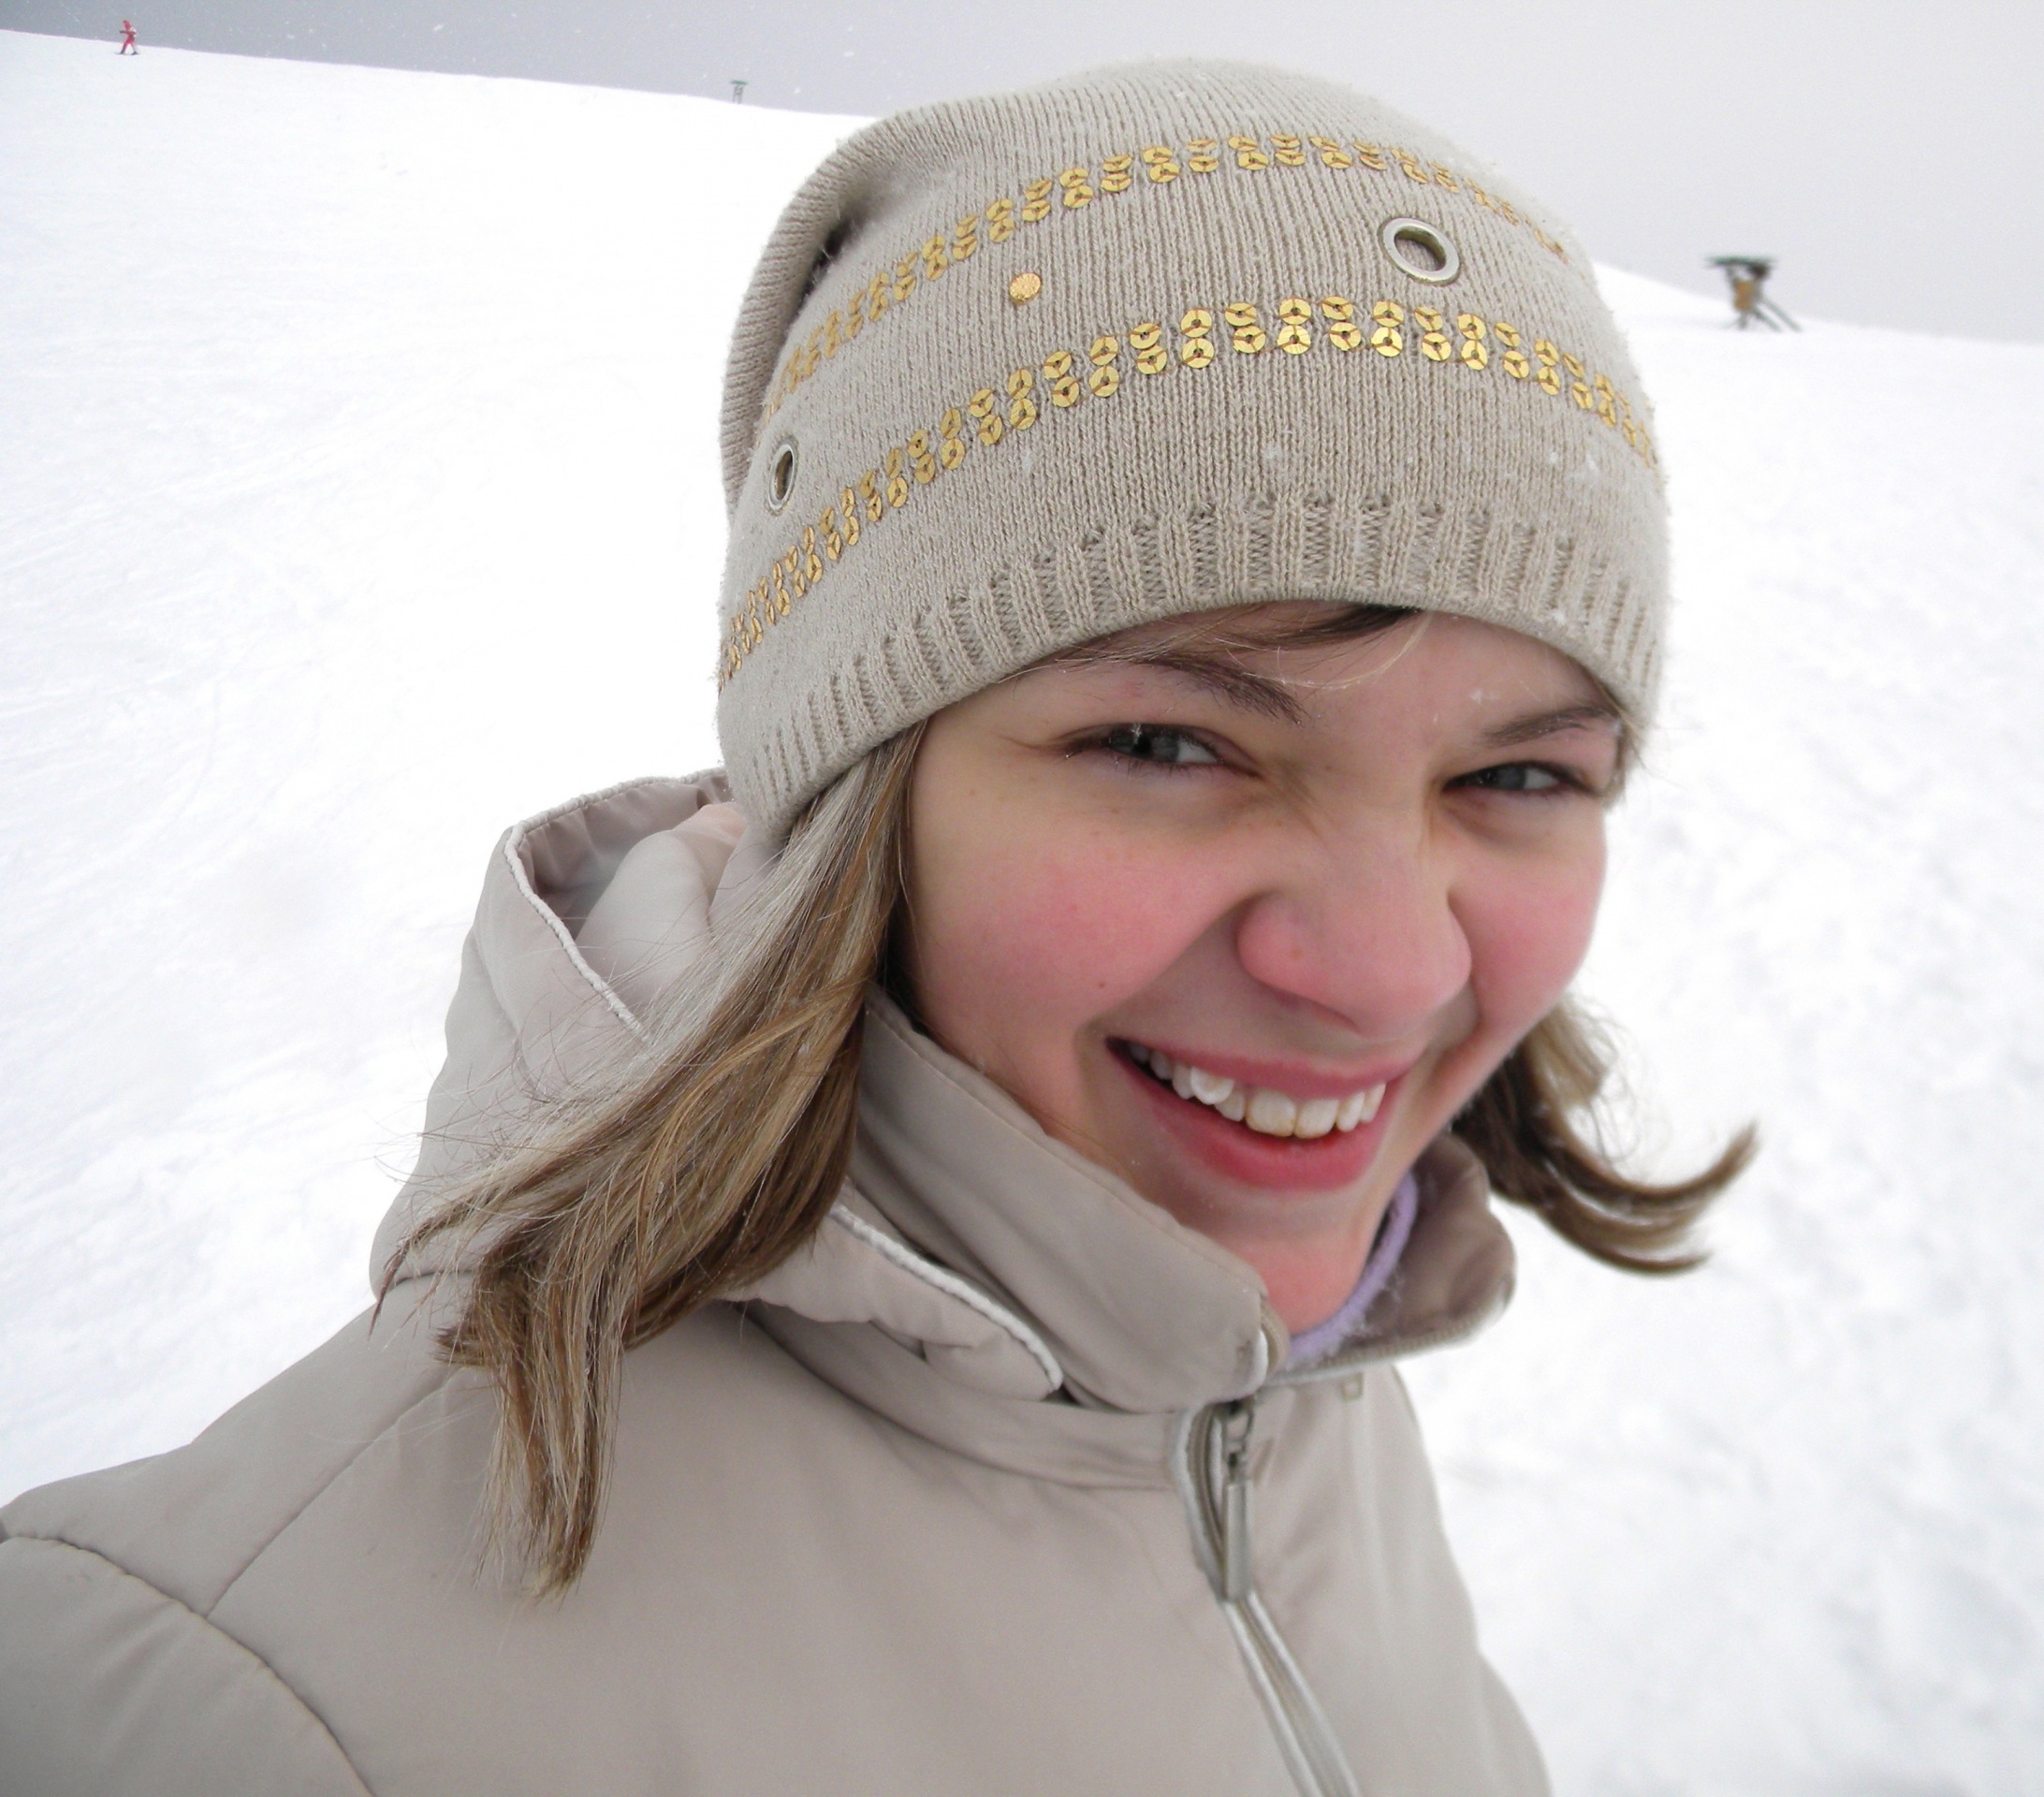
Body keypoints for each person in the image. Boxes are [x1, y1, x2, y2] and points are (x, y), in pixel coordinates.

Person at [0, 59, 1746, 1795]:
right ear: (849, 792)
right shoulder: (240, 1711)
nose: (1389, 974)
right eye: (1167, 745)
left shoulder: (1280, 1374)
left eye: (1519, 776)